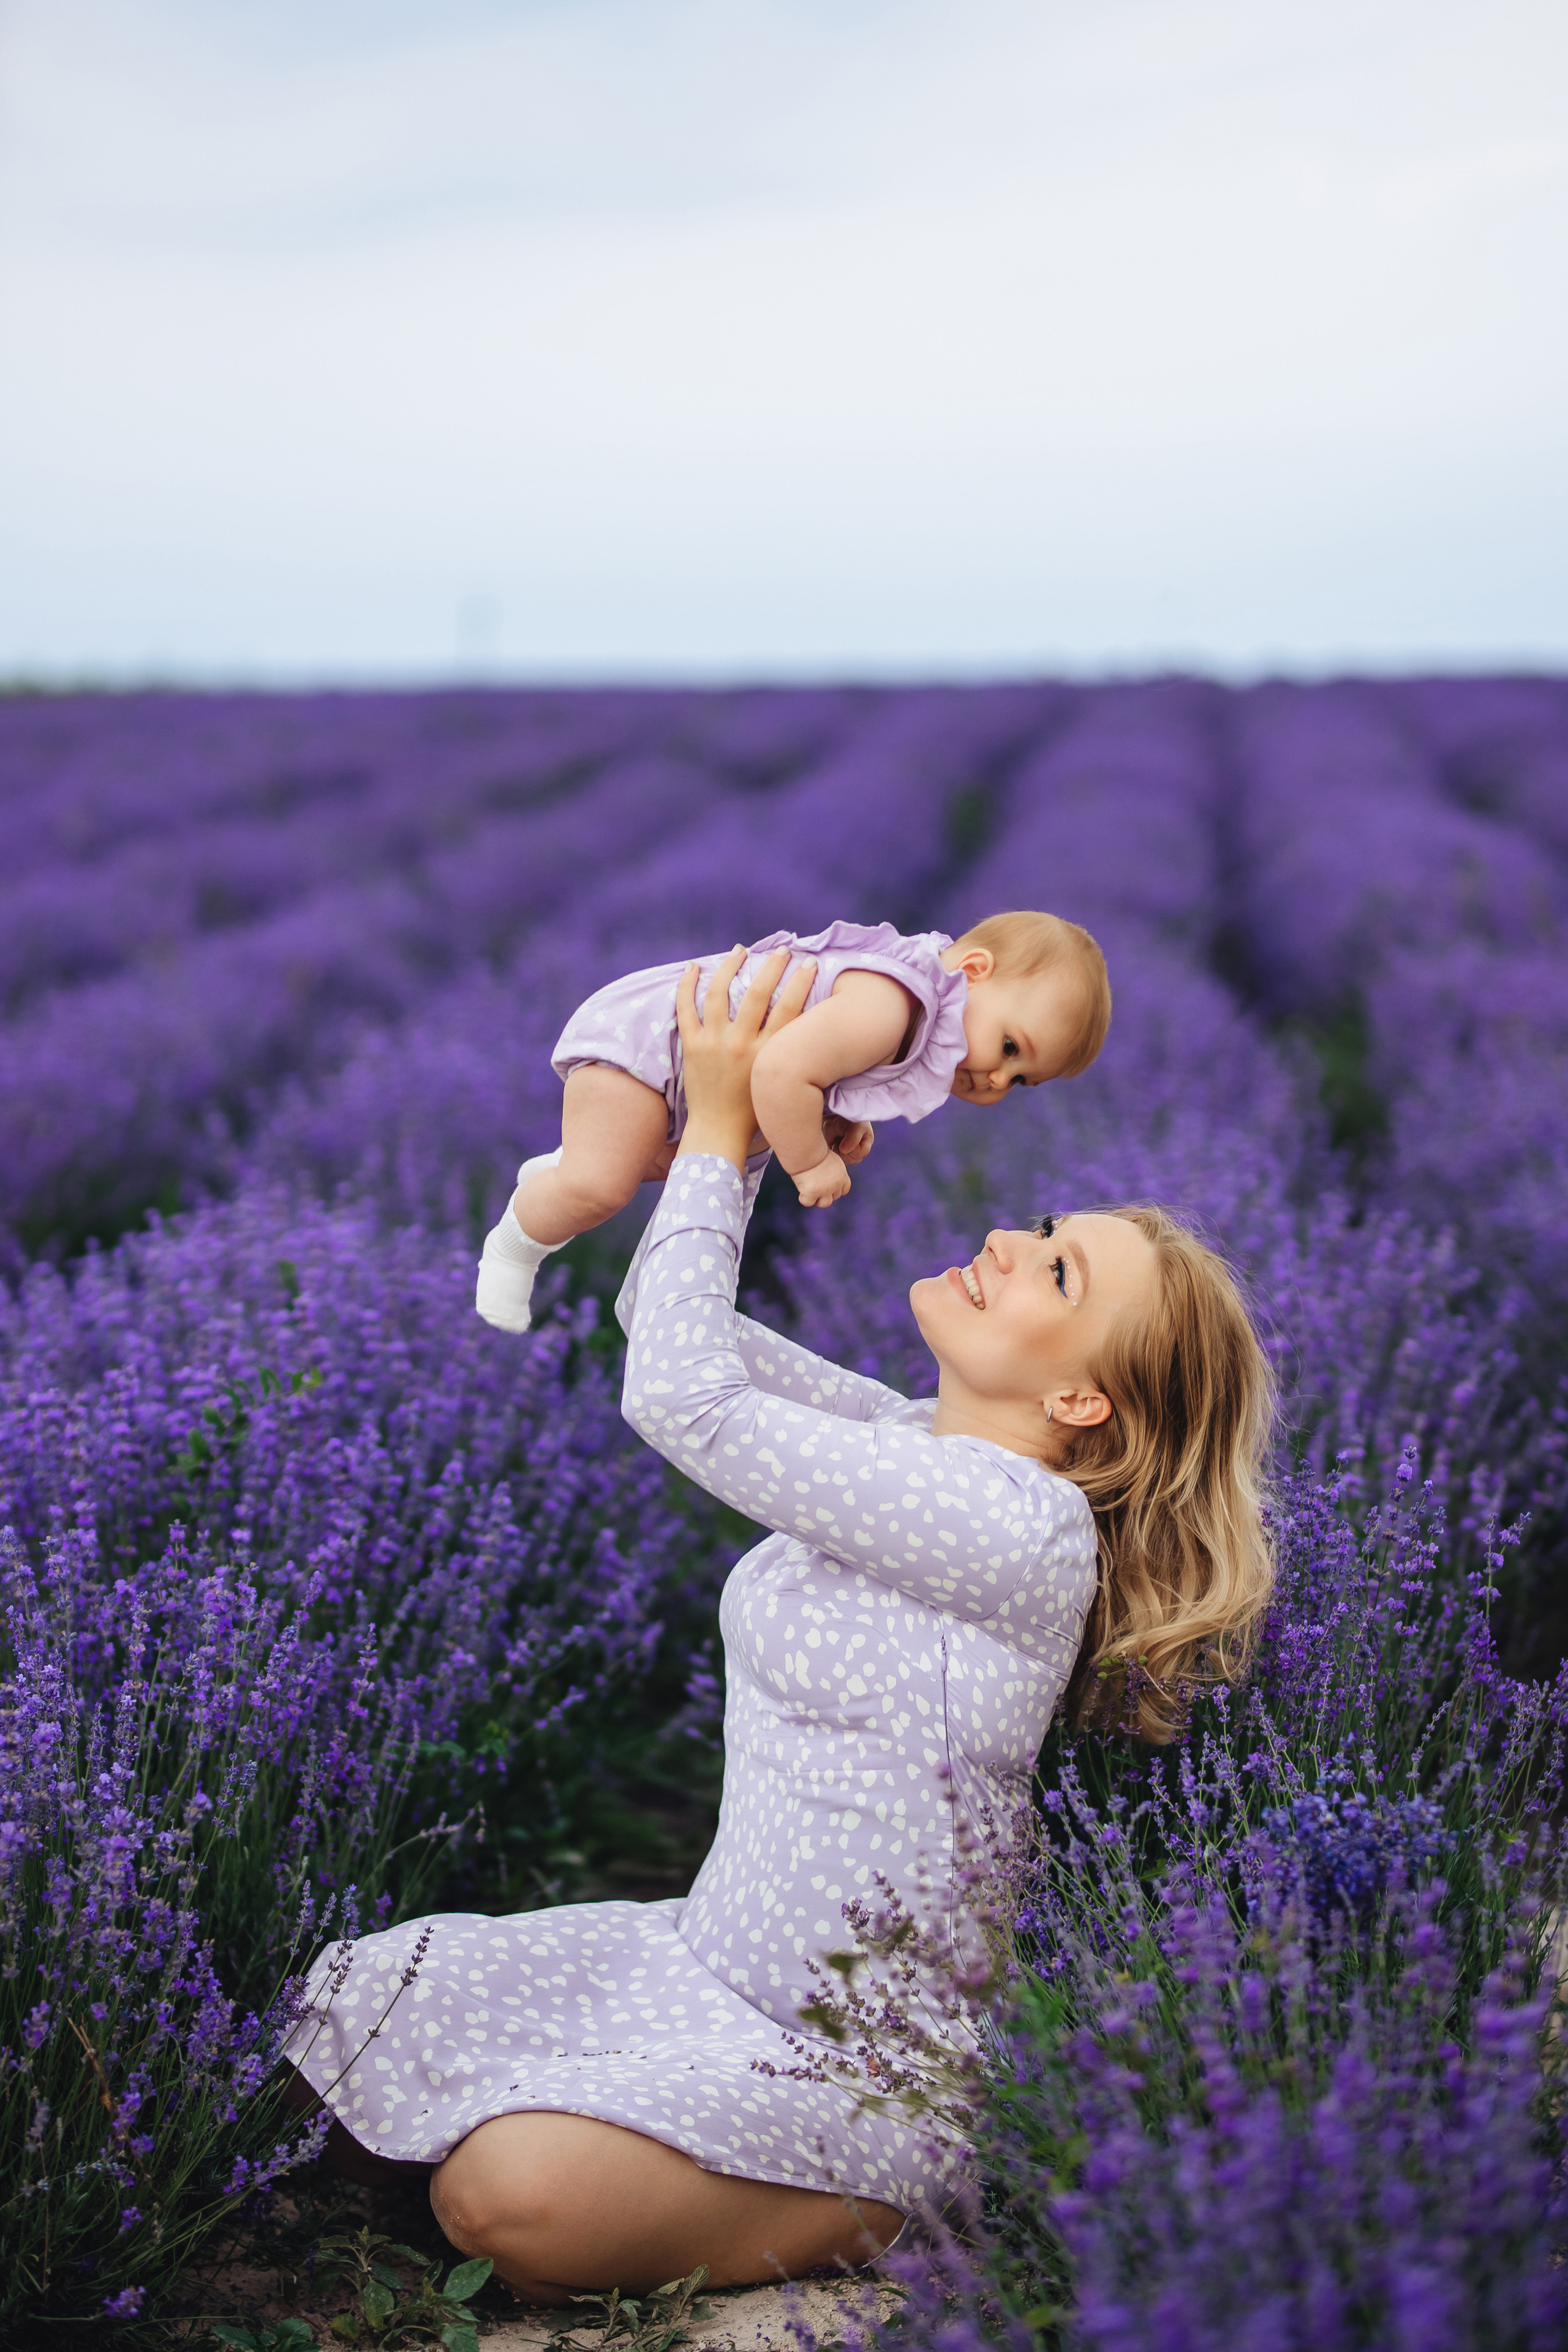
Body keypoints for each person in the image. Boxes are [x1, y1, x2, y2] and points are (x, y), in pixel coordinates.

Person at [282, 946, 1274, 2301]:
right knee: (342, 2000)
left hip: (858, 2056)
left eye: (1054, 1276)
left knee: (506, 2199)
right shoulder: (900, 1433)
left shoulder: (1016, 1529)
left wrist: (733, 1126)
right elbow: (667, 1321)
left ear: (1082, 1406)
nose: (1005, 1243)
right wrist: (717, 1125)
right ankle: (661, 2146)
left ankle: (912, 2192)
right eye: (1044, 1229)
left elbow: (678, 1403)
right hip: (708, 1961)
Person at [475, 910, 1110, 1332]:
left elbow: (819, 1069)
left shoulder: (911, 1014)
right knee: (601, 1188)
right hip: (648, 1041)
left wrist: (833, 1115)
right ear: (973, 973)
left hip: (692, 1063)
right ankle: (513, 1246)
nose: (999, 1080)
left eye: (1022, 1080)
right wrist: (809, 1160)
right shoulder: (889, 1007)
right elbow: (780, 1074)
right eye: (1008, 1047)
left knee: (668, 1165)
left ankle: (565, 1166)